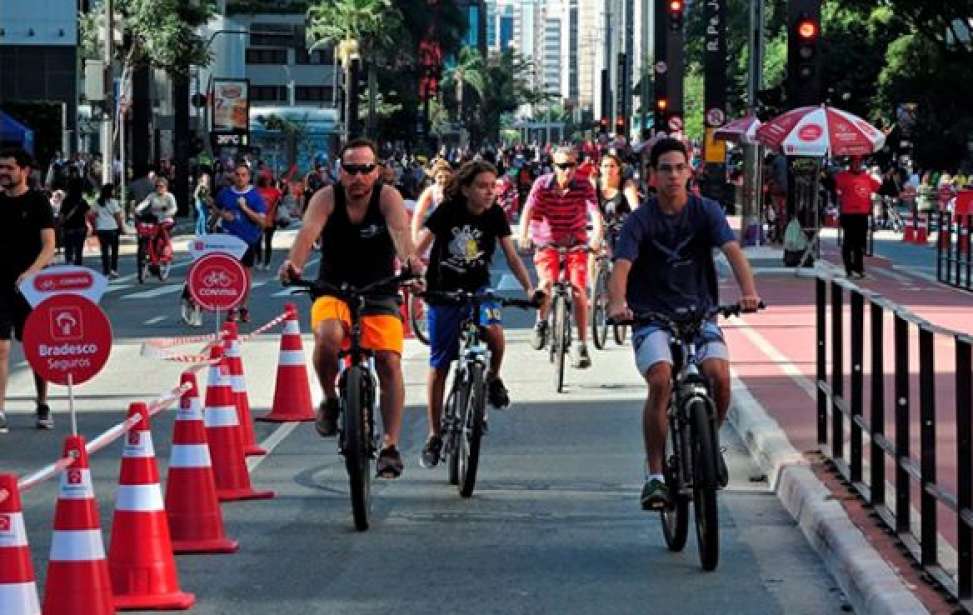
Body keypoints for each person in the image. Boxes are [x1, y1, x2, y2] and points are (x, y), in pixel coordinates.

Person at [607, 138, 761, 510]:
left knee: (719, 375)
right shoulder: (639, 220)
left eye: (680, 167)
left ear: (690, 172)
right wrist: (617, 304)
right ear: (652, 177)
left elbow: (732, 251)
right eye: (665, 169)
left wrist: (749, 293)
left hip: (699, 313)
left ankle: (709, 443)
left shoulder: (705, 211)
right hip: (651, 318)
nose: (673, 175)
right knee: (661, 378)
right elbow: (622, 267)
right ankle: (656, 475)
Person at [279, 138, 422, 479]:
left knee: (388, 360)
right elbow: (306, 234)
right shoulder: (326, 198)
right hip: (333, 288)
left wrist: (412, 264)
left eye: (365, 169)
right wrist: (292, 266)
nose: (358, 177)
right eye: (351, 169)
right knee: (327, 337)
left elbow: (401, 234)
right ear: (339, 172)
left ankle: (389, 445)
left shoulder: (388, 197)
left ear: (377, 171)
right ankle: (329, 398)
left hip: (380, 290)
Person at [413, 161, 536, 468]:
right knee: (440, 363)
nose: (489, 192)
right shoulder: (448, 210)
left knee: (494, 332)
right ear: (466, 188)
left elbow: (511, 255)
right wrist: (412, 275)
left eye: (493, 186)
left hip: (479, 289)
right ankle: (434, 433)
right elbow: (419, 247)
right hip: (443, 291)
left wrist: (530, 290)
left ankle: (493, 378)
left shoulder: (495, 215)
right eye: (482, 186)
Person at [518, 146, 603, 369]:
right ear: (553, 166)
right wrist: (524, 236)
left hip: (575, 241)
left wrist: (596, 238)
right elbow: (527, 210)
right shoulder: (542, 185)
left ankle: (582, 344)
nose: (567, 170)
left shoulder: (584, 185)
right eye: (562, 166)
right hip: (547, 240)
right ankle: (541, 322)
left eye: (571, 165)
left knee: (578, 289)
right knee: (546, 282)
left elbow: (595, 213)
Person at [0, 148, 57, 432]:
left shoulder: (37, 202)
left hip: (32, 286)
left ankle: (43, 402)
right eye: (1, 168)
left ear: (24, 171)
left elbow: (49, 245)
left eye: (9, 168)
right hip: (1, 286)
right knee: (1, 347)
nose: (3, 173)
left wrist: (32, 272)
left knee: (35, 347)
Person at [212, 162, 267, 322]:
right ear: (233, 176)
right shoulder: (225, 193)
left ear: (249, 177)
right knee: (230, 274)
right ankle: (232, 307)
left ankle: (243, 306)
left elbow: (262, 222)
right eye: (237, 174)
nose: (240, 178)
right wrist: (223, 214)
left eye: (244, 175)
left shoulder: (254, 196)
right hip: (228, 240)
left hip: (248, 240)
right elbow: (215, 207)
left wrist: (245, 209)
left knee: (245, 275)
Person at [835, 156, 880, 279]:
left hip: (862, 214)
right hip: (848, 214)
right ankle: (849, 269)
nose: (857, 165)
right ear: (850, 164)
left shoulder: (867, 177)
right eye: (855, 162)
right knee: (848, 243)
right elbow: (837, 189)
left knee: (860, 244)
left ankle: (859, 268)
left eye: (859, 162)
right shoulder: (843, 176)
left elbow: (878, 187)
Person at [410, 160, 452, 244]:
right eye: (440, 177)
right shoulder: (430, 191)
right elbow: (418, 215)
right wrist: (414, 238)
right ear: (435, 177)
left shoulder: (457, 190)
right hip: (433, 235)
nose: (444, 180)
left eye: (447, 176)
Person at [90, 183, 125, 277]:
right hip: (112, 228)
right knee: (114, 250)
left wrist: (95, 223)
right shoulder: (113, 202)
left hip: (101, 229)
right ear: (110, 191)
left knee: (104, 251)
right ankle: (113, 269)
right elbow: (118, 217)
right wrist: (122, 228)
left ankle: (106, 271)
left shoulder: (97, 202)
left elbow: (91, 214)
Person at [254, 174, 282, 271]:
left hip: (271, 219)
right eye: (266, 179)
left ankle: (267, 262)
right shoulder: (256, 190)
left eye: (269, 179)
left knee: (268, 241)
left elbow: (280, 204)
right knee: (257, 241)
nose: (268, 181)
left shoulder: (275, 191)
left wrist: (279, 199)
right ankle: (259, 261)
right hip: (259, 219)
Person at [59, 177, 89, 266]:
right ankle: (78, 267)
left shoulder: (66, 201)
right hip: (80, 228)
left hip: (68, 228)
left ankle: (69, 267)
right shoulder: (82, 201)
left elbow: (61, 216)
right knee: (79, 251)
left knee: (68, 250)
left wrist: (61, 223)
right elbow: (88, 213)